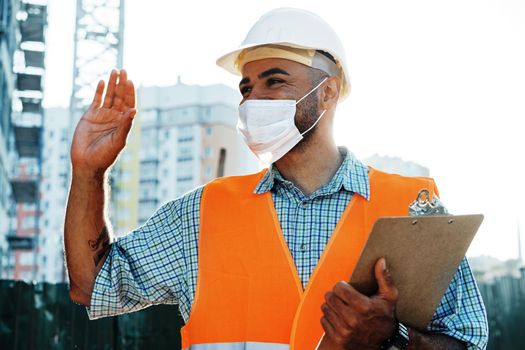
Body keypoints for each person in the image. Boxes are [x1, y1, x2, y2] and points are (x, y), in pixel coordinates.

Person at [64, 7, 488, 350]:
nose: (253, 100)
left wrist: (392, 339)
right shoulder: (202, 213)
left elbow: (467, 341)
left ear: (328, 93)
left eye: (274, 82)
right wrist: (88, 172)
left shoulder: (410, 206)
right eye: (246, 88)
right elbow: (93, 285)